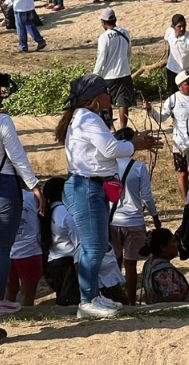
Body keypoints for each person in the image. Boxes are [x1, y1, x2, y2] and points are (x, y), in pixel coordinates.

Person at [55, 73, 159, 319]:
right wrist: (135, 144)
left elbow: (102, 149)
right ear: (94, 96)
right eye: (105, 91)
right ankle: (86, 300)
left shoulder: (83, 117)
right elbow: (110, 149)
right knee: (93, 247)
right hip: (86, 188)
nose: (109, 95)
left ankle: (93, 295)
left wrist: (131, 142)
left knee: (98, 245)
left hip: (90, 186)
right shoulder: (88, 118)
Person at [0, 80, 45, 317]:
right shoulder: (2, 121)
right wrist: (34, 185)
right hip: (2, 185)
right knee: (1, 247)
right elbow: (17, 156)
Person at [110, 129, 161, 305]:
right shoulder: (139, 167)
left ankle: (115, 299)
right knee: (131, 265)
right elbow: (146, 196)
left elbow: (108, 194)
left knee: (115, 263)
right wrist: (155, 217)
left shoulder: (109, 166)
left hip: (113, 220)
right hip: (134, 221)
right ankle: (131, 303)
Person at [145, 70, 189, 201]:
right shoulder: (173, 100)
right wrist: (150, 110)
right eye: (188, 83)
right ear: (179, 86)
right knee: (182, 173)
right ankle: (186, 201)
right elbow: (161, 118)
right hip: (180, 143)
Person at [139, 14, 189, 94]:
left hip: (187, 72)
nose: (182, 29)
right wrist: (166, 56)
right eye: (179, 26)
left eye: (184, 26)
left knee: (188, 95)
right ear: (173, 27)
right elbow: (166, 41)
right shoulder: (169, 32)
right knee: (172, 95)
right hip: (172, 70)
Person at [93, 8, 135, 130]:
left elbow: (101, 58)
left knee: (106, 103)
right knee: (123, 103)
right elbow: (129, 53)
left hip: (109, 76)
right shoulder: (125, 33)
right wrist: (126, 66)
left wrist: (95, 75)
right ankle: (123, 128)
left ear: (104, 22)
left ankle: (111, 128)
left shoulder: (104, 37)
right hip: (124, 73)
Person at [41, 177, 81, 306]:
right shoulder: (66, 213)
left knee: (62, 299)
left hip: (52, 263)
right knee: (70, 302)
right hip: (68, 264)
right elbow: (78, 241)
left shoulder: (45, 212)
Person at [5, 189, 43, 307]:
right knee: (27, 294)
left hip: (6, 252)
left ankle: (9, 314)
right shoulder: (33, 198)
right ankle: (26, 315)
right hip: (29, 251)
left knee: (9, 292)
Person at [139, 228, 189, 303]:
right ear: (163, 247)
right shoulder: (165, 271)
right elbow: (172, 299)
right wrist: (183, 295)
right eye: (173, 241)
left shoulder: (149, 263)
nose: (177, 243)